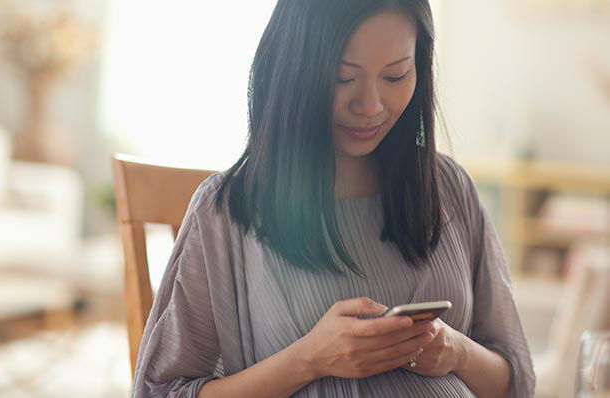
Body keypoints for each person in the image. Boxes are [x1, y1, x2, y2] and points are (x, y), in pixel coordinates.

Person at [132, 0, 535, 397]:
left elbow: (516, 380)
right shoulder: (227, 211)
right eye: (343, 78)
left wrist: (457, 351)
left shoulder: (448, 187)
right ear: (293, 70)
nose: (371, 107)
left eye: (395, 77)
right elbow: (160, 392)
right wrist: (309, 360)